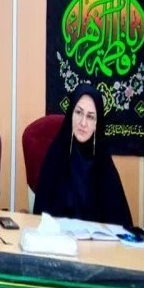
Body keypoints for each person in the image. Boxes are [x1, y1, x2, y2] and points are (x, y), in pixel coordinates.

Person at [33, 83, 133, 226]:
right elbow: (40, 216)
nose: (83, 123)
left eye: (90, 117)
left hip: (95, 240)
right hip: (58, 237)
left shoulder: (104, 165)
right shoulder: (55, 156)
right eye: (79, 113)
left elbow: (120, 222)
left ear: (97, 123)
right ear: (70, 114)